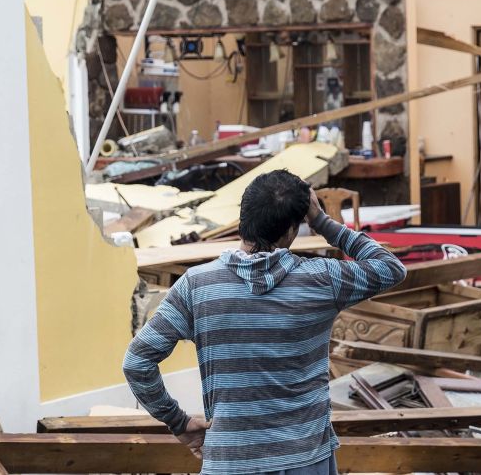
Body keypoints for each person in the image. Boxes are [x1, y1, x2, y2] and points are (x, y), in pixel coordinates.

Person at [123, 169, 406, 475]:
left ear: (244, 217)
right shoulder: (322, 279)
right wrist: (322, 221)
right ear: (290, 231)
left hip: (230, 463)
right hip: (306, 459)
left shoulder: (197, 286)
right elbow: (391, 268)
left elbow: (137, 362)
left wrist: (178, 422)